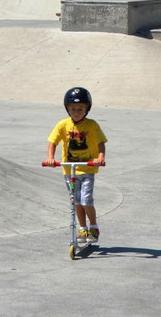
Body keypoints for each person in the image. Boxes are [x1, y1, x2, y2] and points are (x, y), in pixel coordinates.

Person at [46, 86, 106, 244]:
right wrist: (51, 158)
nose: (76, 112)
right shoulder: (63, 125)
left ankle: (93, 227)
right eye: (73, 109)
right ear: (67, 109)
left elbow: (101, 143)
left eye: (80, 109)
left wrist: (100, 157)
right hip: (69, 171)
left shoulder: (92, 125)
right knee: (76, 202)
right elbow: (52, 142)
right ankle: (82, 229)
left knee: (86, 201)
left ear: (87, 109)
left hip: (87, 169)